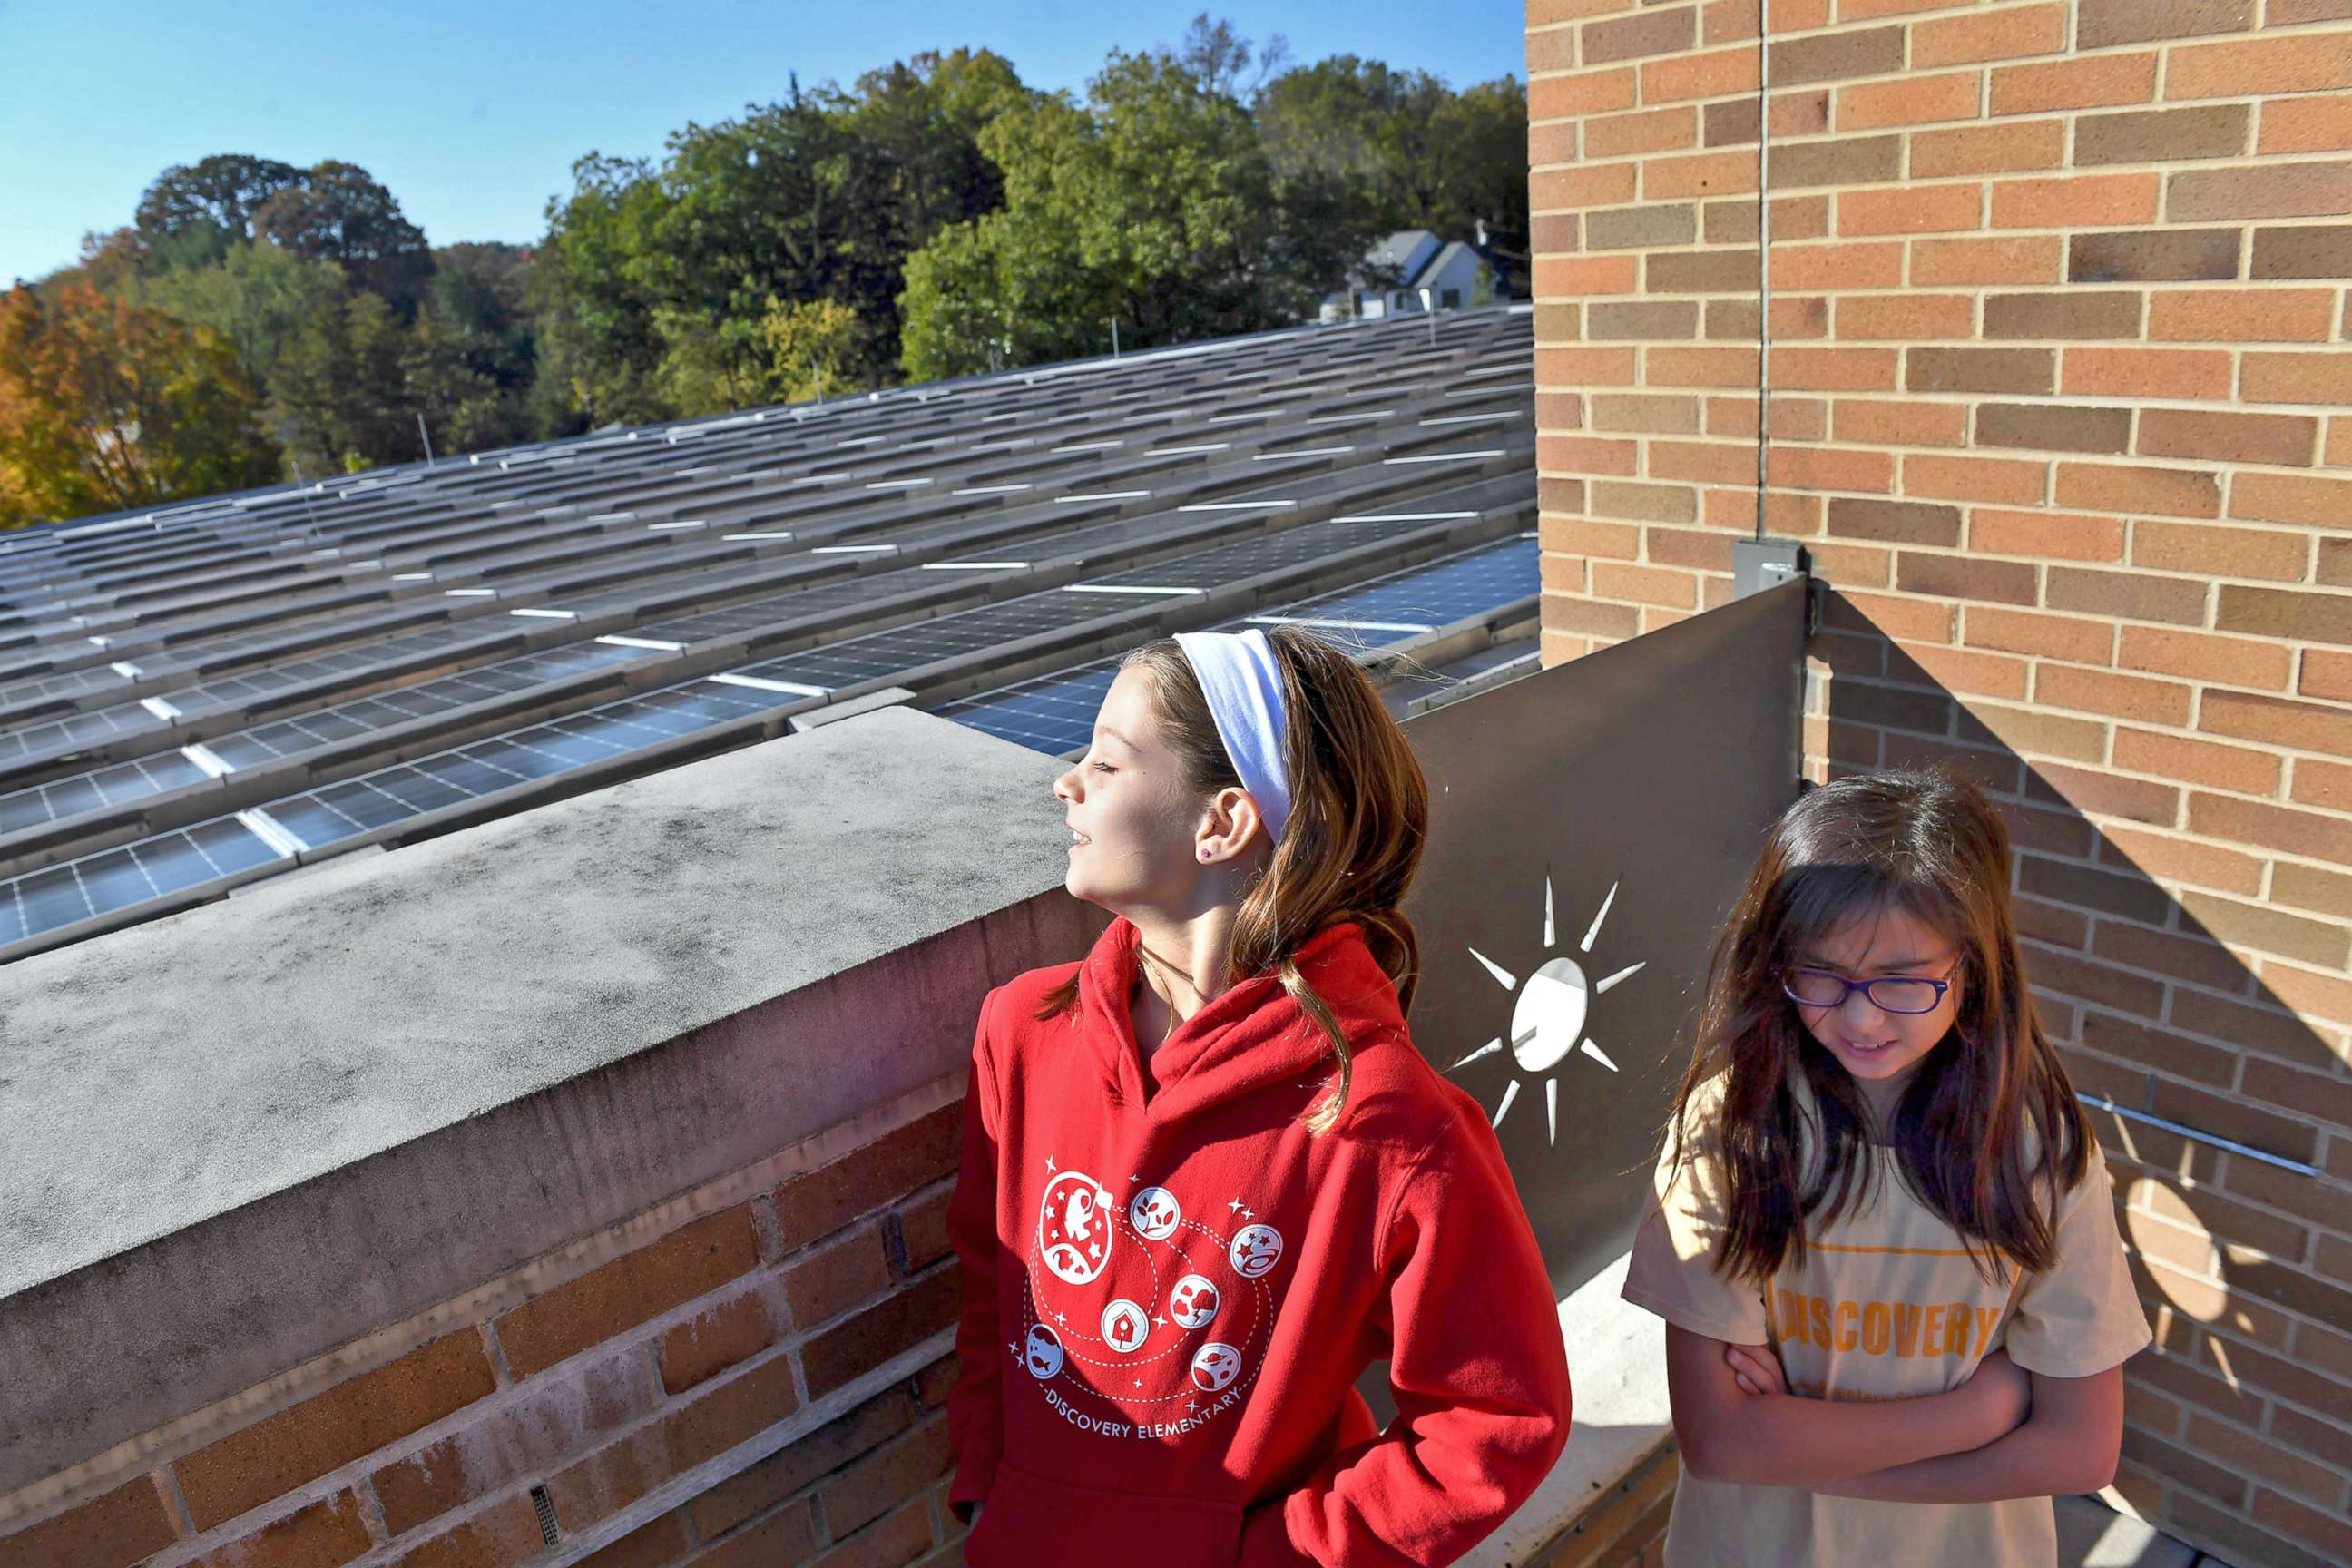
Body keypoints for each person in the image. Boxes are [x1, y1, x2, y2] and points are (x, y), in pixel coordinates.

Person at [944, 627, 1572, 1566]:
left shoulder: (1386, 1125)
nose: (1066, 782)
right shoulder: (1020, 1033)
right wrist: (991, 1488)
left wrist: (1279, 1555)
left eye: (1107, 761)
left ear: (1224, 822)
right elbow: (993, 1296)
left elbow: (1499, 1415)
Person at [1622, 769, 2151, 1565]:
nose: (1861, 1014)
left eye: (1904, 981)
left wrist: (1810, 1453)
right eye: (1822, 974)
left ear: (1974, 968)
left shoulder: (2038, 1147)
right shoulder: (1728, 1131)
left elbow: (2079, 1451)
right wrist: (1984, 1409)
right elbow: (1724, 1444)